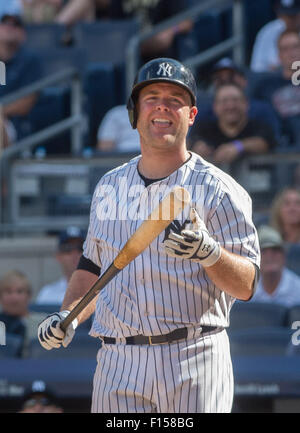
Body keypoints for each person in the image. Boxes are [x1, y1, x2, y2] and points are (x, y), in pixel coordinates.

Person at [37, 58, 260, 413]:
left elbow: (247, 285)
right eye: (152, 97)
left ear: (192, 115)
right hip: (118, 360)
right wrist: (69, 315)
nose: (163, 106)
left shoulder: (220, 190)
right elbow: (93, 265)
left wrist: (211, 254)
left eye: (175, 99)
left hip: (193, 356)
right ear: (135, 113)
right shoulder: (109, 186)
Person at [188, 83, 277, 176]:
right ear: (215, 107)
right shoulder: (203, 128)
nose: (230, 106)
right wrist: (196, 147)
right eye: (224, 101)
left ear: (246, 104)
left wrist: (238, 147)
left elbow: (264, 142)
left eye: (235, 100)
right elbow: (189, 143)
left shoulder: (260, 125)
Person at [195, 57, 281, 139]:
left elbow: (273, 140)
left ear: (244, 80)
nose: (225, 81)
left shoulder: (262, 110)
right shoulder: (204, 113)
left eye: (231, 76)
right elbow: (193, 139)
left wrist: (239, 146)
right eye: (220, 78)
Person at [252, 29, 300, 147]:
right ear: (279, 55)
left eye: (295, 47)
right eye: (285, 49)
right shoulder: (264, 86)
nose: (291, 53)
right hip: (278, 148)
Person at [0, 12, 43, 141]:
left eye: (15, 25)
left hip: (13, 124)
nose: (9, 27)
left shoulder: (29, 60)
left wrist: (1, 110)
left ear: (23, 34)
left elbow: (26, 103)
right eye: (4, 23)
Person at [107, 0, 193, 62]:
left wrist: (171, 31)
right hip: (129, 50)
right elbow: (113, 26)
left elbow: (187, 22)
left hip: (163, 53)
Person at [250, 225, 300, 306]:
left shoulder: (298, 290)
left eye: (275, 250)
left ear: (284, 256)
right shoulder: (246, 289)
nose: (269, 256)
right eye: (263, 251)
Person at [0, 270, 47, 357]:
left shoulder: (46, 323)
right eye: (8, 292)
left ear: (29, 295)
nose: (14, 298)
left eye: (20, 291)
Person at [35, 226, 85, 305]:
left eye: (81, 248)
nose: (74, 254)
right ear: (58, 256)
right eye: (68, 249)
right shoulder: (47, 294)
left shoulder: (103, 291)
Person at [250, 0, 300, 72]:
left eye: (294, 15)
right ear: (279, 15)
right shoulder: (267, 31)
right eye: (287, 15)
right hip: (274, 78)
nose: (290, 19)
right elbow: (256, 68)